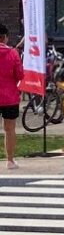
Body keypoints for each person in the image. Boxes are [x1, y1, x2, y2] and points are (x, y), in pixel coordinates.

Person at [0, 22, 24, 171]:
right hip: (9, 96)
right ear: (5, 38)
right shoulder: (12, 53)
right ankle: (10, 161)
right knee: (9, 129)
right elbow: (20, 75)